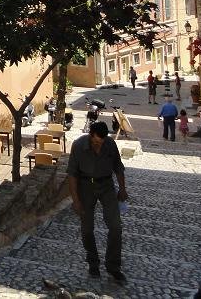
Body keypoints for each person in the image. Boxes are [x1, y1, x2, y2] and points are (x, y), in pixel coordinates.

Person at [67, 121, 127, 282]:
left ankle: (113, 266)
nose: (98, 145)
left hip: (106, 185)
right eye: (95, 142)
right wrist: (76, 200)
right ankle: (93, 262)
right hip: (86, 186)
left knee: (116, 227)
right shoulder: (78, 146)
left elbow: (118, 167)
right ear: (90, 135)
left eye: (101, 142)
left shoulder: (110, 144)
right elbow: (72, 174)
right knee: (87, 229)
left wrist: (122, 189)